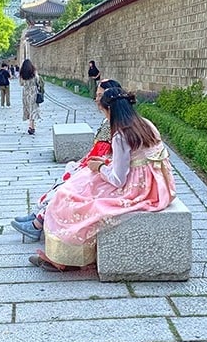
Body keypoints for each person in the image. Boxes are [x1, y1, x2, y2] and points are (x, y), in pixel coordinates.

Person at [27, 86, 176, 271]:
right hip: (158, 184)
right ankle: (66, 255)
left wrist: (101, 167)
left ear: (110, 110)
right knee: (83, 181)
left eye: (103, 111)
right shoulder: (145, 124)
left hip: (137, 189)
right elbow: (139, 160)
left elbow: (118, 180)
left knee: (71, 196)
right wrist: (106, 164)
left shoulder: (121, 135)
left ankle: (63, 258)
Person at [10, 79, 121, 242]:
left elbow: (104, 153)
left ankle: (37, 223)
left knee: (70, 187)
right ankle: (37, 216)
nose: (96, 100)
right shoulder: (112, 121)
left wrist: (86, 166)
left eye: (99, 96)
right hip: (105, 167)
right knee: (64, 183)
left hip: (106, 172)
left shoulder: (114, 125)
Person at [20, 59, 43, 135]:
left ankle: (31, 126)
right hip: (33, 92)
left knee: (28, 108)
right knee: (33, 109)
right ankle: (31, 126)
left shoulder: (22, 74)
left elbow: (21, 83)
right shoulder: (34, 72)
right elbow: (38, 81)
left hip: (26, 92)